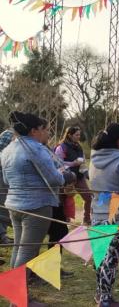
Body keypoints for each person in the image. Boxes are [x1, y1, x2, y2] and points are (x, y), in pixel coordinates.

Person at [1, 112, 69, 304]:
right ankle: (19, 300)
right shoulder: (36, 149)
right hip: (36, 206)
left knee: (19, 250)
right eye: (43, 129)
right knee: (26, 252)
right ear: (33, 131)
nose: (46, 133)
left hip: (14, 205)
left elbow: (6, 180)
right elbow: (55, 178)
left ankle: (15, 296)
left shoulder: (7, 149)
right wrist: (66, 176)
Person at [89, 123, 119, 307]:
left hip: (97, 212)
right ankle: (106, 300)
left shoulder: (93, 158)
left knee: (100, 257)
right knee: (111, 259)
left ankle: (100, 294)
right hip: (116, 216)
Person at [54, 126, 93, 225]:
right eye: (76, 135)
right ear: (69, 135)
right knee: (64, 200)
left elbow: (82, 162)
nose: (79, 137)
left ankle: (87, 219)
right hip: (66, 178)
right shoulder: (61, 147)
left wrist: (87, 173)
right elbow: (58, 163)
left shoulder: (79, 147)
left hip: (79, 177)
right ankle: (64, 222)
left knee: (88, 197)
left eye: (79, 134)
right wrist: (73, 164)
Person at [0, 120, 15, 245]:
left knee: (3, 206)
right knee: (2, 206)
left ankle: (3, 236)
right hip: (1, 175)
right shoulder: (8, 134)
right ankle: (2, 236)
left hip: (5, 176)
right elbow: (2, 149)